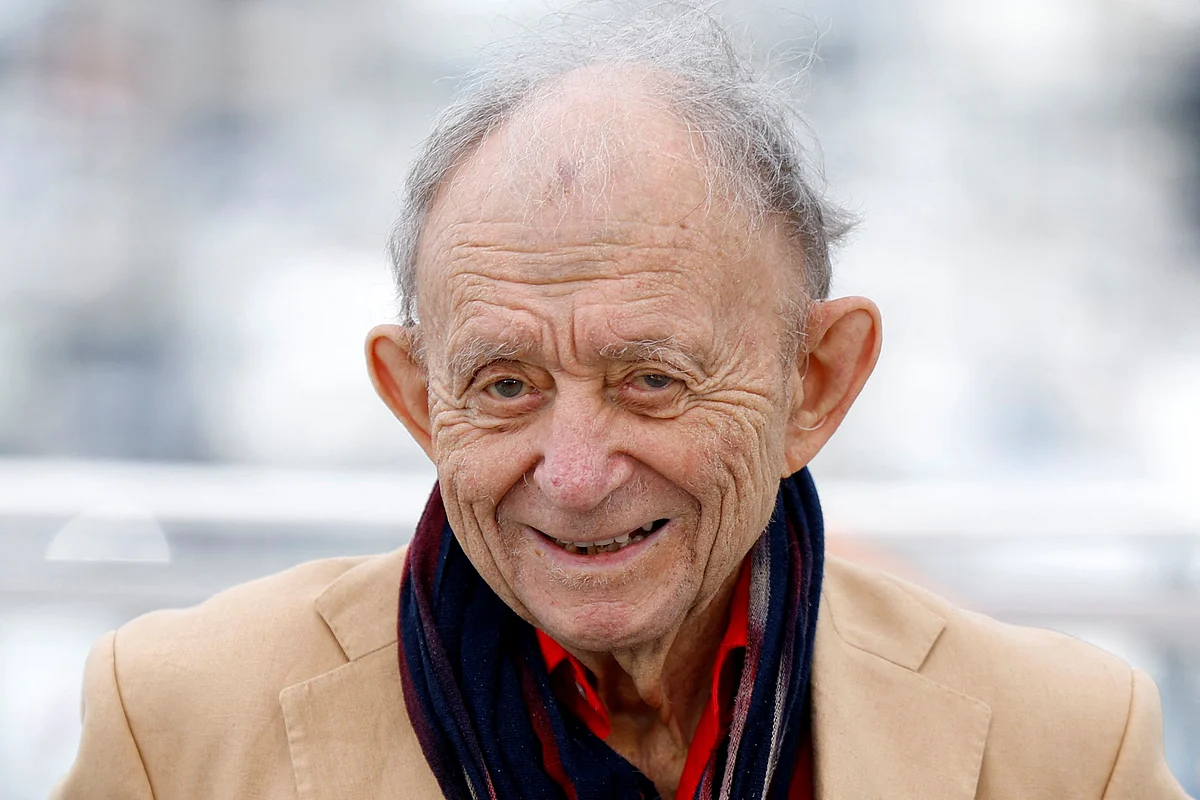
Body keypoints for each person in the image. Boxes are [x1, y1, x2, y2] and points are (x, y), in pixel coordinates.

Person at [53, 5, 1190, 799]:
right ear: (418, 399)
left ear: (816, 383)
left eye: (652, 380)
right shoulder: (178, 723)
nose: (576, 473)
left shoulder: (1068, 746)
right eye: (506, 386)